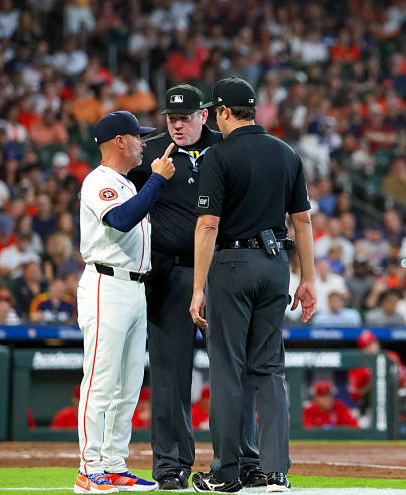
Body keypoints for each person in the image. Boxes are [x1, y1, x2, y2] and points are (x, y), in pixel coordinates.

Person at [130, 84, 264, 491]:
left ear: (205, 115)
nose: (177, 125)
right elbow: (116, 198)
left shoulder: (226, 149)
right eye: (171, 119)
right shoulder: (151, 153)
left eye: (185, 118)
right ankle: (171, 466)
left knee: (233, 370)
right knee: (170, 373)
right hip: (168, 273)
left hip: (221, 270)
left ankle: (242, 460)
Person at [189, 77, 315, 493]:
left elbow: (208, 225)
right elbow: (303, 221)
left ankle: (226, 473)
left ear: (224, 112)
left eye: (215, 111)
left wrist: (197, 287)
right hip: (277, 263)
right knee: (270, 368)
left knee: (227, 368)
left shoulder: (217, 156)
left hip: (233, 263)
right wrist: (308, 279)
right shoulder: (286, 153)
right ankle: (274, 470)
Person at [74, 110, 174, 494]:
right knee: (101, 381)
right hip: (106, 284)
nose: (143, 143)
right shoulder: (100, 180)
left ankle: (114, 464)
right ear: (119, 141)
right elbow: (120, 220)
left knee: (128, 385)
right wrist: (158, 181)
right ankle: (89, 467)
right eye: (138, 137)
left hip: (135, 288)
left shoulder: (126, 182)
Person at [350, 330, 406, 441]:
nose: (371, 348)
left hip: (395, 400)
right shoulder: (359, 365)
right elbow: (356, 396)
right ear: (362, 350)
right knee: (365, 432)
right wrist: (373, 380)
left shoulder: (391, 357)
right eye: (367, 346)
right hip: (372, 405)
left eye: (372, 343)